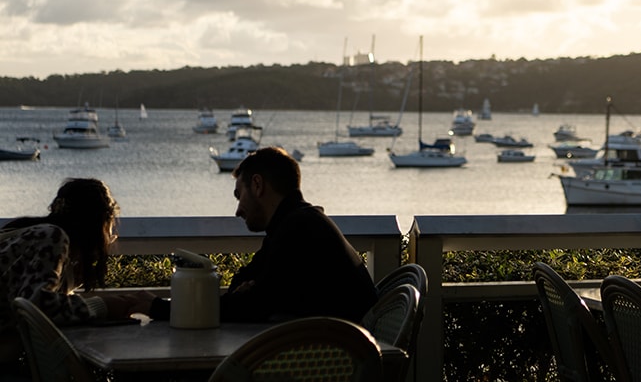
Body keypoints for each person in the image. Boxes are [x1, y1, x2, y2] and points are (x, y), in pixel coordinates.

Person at [149, 146, 378, 323]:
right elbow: (241, 287)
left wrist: (155, 308)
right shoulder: (298, 223)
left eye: (239, 196)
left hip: (332, 364)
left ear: (257, 185)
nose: (238, 211)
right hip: (343, 357)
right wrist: (248, 293)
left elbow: (249, 307)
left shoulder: (298, 230)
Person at [0, 178, 142, 373]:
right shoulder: (52, 236)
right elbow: (38, 307)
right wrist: (104, 306)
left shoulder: (30, 234)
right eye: (110, 229)